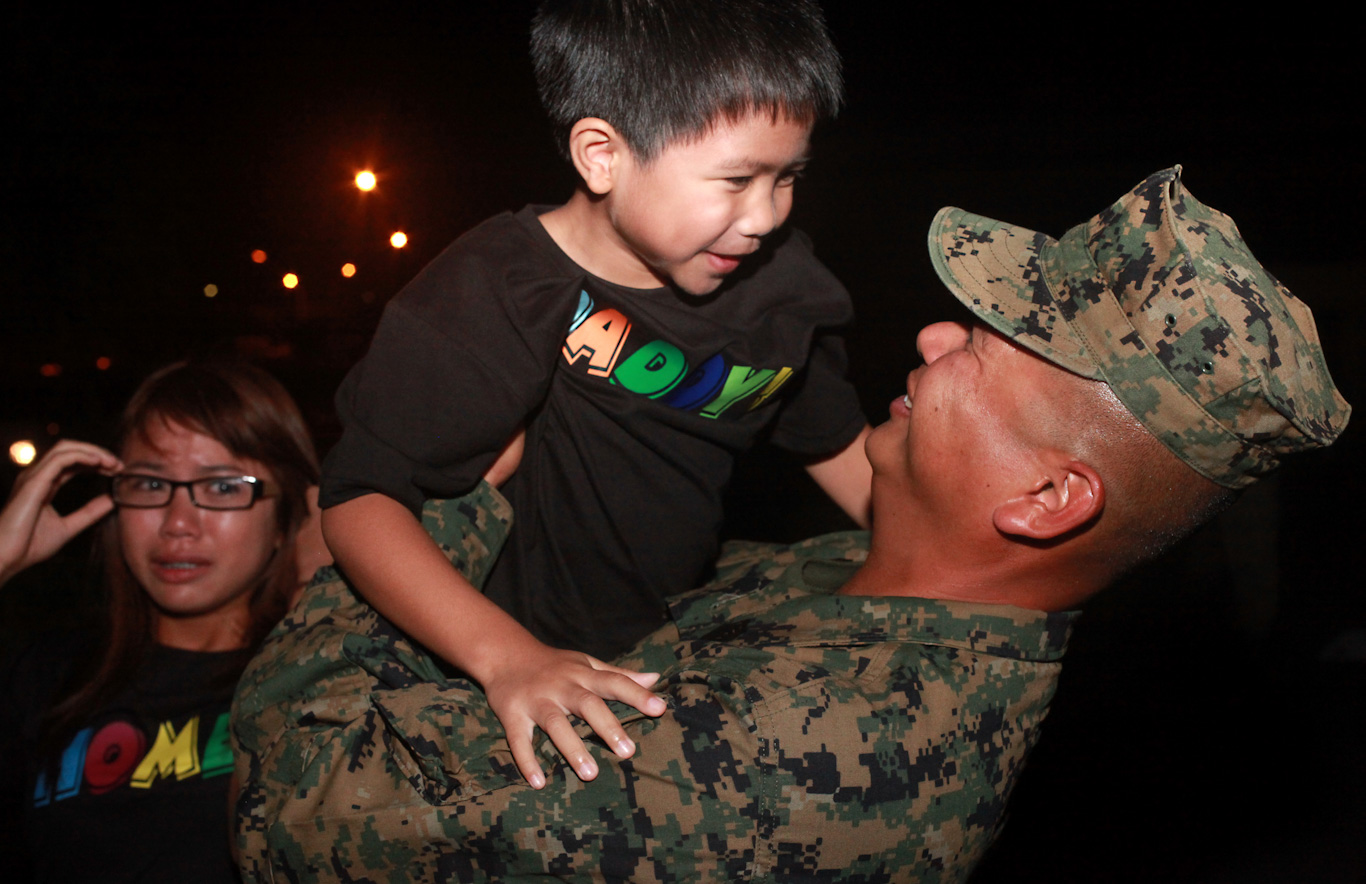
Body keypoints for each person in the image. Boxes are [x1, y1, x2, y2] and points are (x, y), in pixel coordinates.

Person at [233, 166, 1349, 882]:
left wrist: (445, 507)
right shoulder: (865, 585)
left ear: (1047, 499)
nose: (928, 343)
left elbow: (293, 804)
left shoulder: (805, 776)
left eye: (979, 353)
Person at [320, 0, 871, 791]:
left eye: (786, 176)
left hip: (674, 656)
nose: (766, 217)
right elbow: (359, 505)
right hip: (500, 680)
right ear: (603, 155)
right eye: (736, 180)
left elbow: (843, 453)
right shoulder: (495, 293)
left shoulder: (780, 288)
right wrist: (509, 660)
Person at [0, 359, 322, 884]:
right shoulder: (47, 678)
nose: (177, 524)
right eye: (150, 484)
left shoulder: (313, 684)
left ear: (288, 515)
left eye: (222, 488)